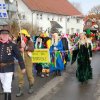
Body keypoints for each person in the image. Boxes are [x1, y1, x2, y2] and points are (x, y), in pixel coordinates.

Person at [0, 29, 26, 100]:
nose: (4, 36)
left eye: (6, 34)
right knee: (4, 85)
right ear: (0, 35)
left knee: (7, 86)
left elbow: (19, 56)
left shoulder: (12, 45)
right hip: (0, 69)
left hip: (9, 67)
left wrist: (22, 67)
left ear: (8, 35)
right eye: (3, 34)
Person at [16, 29, 34, 97]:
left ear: (25, 35)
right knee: (20, 76)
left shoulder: (30, 41)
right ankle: (20, 90)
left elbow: (32, 49)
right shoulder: (19, 42)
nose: (21, 36)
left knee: (30, 75)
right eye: (20, 35)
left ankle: (31, 87)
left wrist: (25, 47)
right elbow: (16, 50)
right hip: (21, 61)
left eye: (22, 35)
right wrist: (20, 49)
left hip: (28, 61)